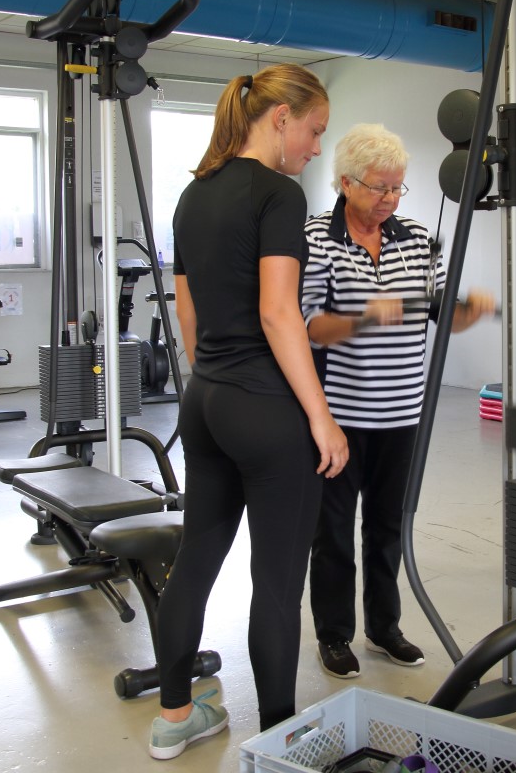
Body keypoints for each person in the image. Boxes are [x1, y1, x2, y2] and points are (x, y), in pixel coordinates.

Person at [150, 63, 349, 761]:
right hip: (265, 411)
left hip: (205, 401)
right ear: (280, 118)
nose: (316, 149)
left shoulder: (192, 194)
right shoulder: (278, 195)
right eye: (314, 131)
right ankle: (278, 745)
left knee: (194, 560)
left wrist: (215, 376)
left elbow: (188, 313)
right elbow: (278, 312)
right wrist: (321, 417)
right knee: (276, 586)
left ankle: (175, 717)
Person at [300, 123, 494, 680]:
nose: (389, 199)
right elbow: (308, 326)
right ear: (345, 183)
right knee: (333, 533)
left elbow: (438, 312)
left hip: (404, 414)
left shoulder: (417, 238)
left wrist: (468, 313)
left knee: (388, 528)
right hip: (338, 417)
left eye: (397, 187)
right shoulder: (315, 239)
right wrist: (365, 318)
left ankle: (385, 628)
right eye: (379, 187)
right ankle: (334, 635)